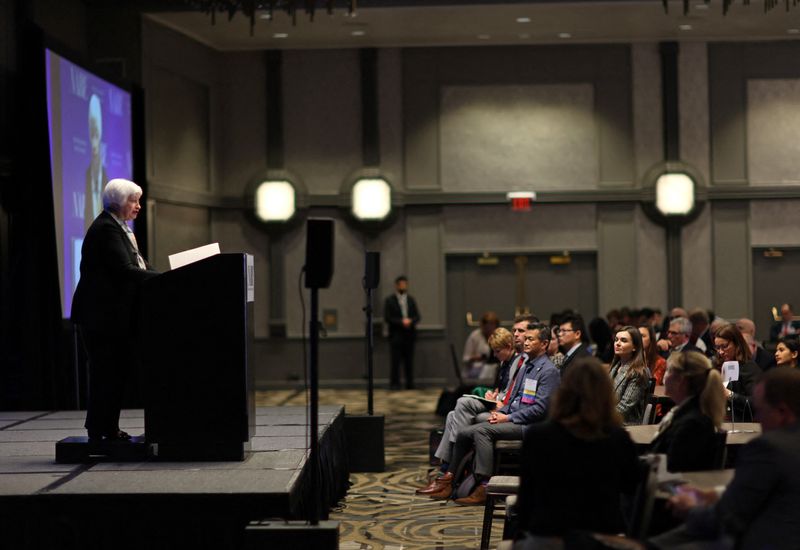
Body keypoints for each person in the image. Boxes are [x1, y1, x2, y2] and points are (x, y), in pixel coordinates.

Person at [650, 368, 800, 550]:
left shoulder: (768, 447)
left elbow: (725, 519)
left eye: (760, 411)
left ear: (783, 412)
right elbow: (771, 489)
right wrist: (719, 493)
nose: (758, 419)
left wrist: (690, 508)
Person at [427, 323, 560, 505]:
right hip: (516, 417)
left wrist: (508, 417)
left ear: (544, 344)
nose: (525, 342)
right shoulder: (526, 365)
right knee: (464, 432)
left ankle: (484, 485)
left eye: (530, 339)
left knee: (482, 430)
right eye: (525, 339)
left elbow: (540, 409)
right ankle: (450, 479)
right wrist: (500, 412)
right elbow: (513, 398)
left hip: (530, 425)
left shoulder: (548, 371)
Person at [514, 357, 640, 543]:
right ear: (606, 394)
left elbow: (527, 494)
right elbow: (631, 487)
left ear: (564, 392)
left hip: (549, 532)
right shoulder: (617, 438)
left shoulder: (539, 435)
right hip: (600, 535)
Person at [72, 178, 158, 442]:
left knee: (112, 373)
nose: (139, 206)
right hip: (101, 318)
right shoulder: (106, 229)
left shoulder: (118, 227)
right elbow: (124, 271)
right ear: (119, 202)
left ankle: (105, 428)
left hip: (110, 318)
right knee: (106, 374)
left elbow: (139, 265)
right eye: (134, 200)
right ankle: (101, 430)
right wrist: (162, 279)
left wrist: (160, 276)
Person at [418, 324, 527, 495]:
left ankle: (449, 472)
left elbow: (519, 396)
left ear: (509, 347)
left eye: (498, 351)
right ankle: (446, 470)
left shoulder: (521, 362)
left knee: (462, 403)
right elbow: (503, 388)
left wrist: (502, 403)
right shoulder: (505, 363)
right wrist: (495, 394)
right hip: (498, 402)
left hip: (507, 410)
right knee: (453, 415)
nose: (495, 355)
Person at [649, 351, 726, 472]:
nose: (665, 376)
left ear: (681, 381)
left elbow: (672, 470)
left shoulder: (693, 424)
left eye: (669, 370)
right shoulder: (682, 412)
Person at [713, 323, 762, 423]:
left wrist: (729, 395)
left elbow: (756, 403)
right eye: (718, 348)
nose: (721, 352)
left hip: (743, 425)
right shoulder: (720, 366)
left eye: (724, 346)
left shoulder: (749, 368)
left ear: (737, 344)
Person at [384, 275, 421, 389]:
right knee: (395, 361)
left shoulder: (410, 300)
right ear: (396, 285)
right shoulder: (390, 300)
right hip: (396, 335)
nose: (403, 286)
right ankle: (395, 384)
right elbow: (388, 317)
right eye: (401, 284)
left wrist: (410, 321)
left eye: (405, 284)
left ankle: (409, 383)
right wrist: (401, 322)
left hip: (409, 335)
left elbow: (417, 316)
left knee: (409, 361)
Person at [609, 325, 650, 424]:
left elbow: (624, 406)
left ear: (635, 347)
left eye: (623, 340)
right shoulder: (615, 367)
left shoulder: (638, 372)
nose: (617, 343)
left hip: (626, 424)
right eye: (616, 340)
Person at [84, 94, 108, 231]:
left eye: (96, 134)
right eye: (91, 133)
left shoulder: (105, 177)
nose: (94, 141)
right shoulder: (87, 175)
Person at [462, 311, 500, 376]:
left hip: (491, 369)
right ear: (483, 325)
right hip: (474, 370)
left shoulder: (497, 336)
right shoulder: (474, 336)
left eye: (492, 324)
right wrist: (477, 358)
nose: (490, 328)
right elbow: (466, 358)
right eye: (488, 324)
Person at [556, 313, 592, 377]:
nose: (560, 334)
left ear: (577, 334)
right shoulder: (570, 354)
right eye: (559, 331)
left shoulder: (582, 358)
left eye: (564, 331)